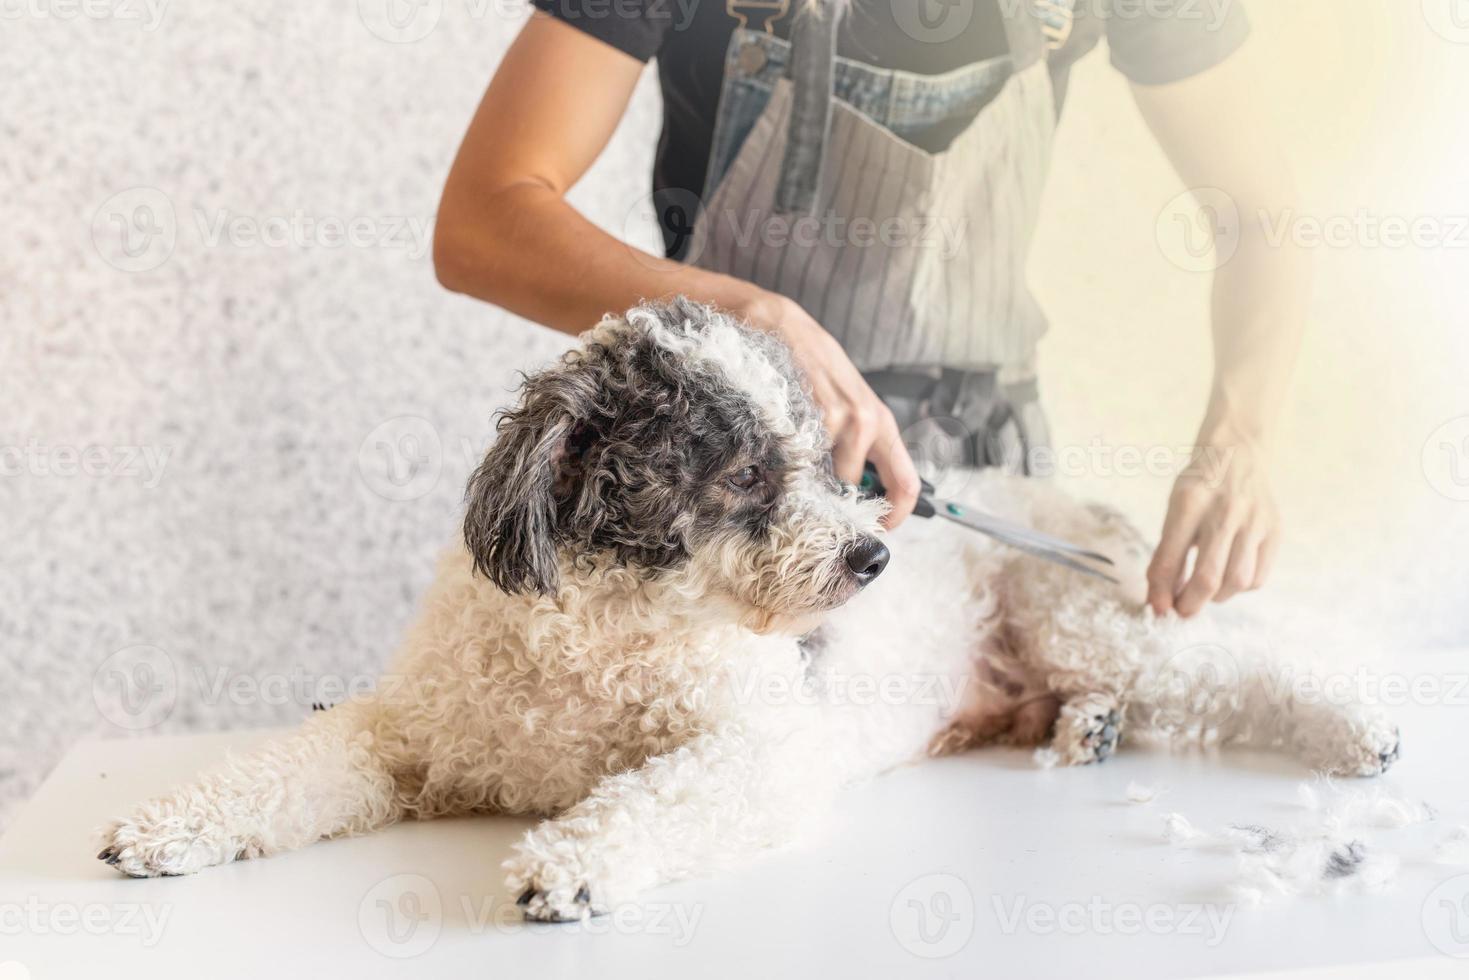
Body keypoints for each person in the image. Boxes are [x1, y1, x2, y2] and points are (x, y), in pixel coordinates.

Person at [432, 0, 1308, 618]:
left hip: (982, 466)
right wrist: (753, 317)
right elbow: (482, 223)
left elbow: (1263, 214)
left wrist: (1241, 439)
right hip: (728, 505)